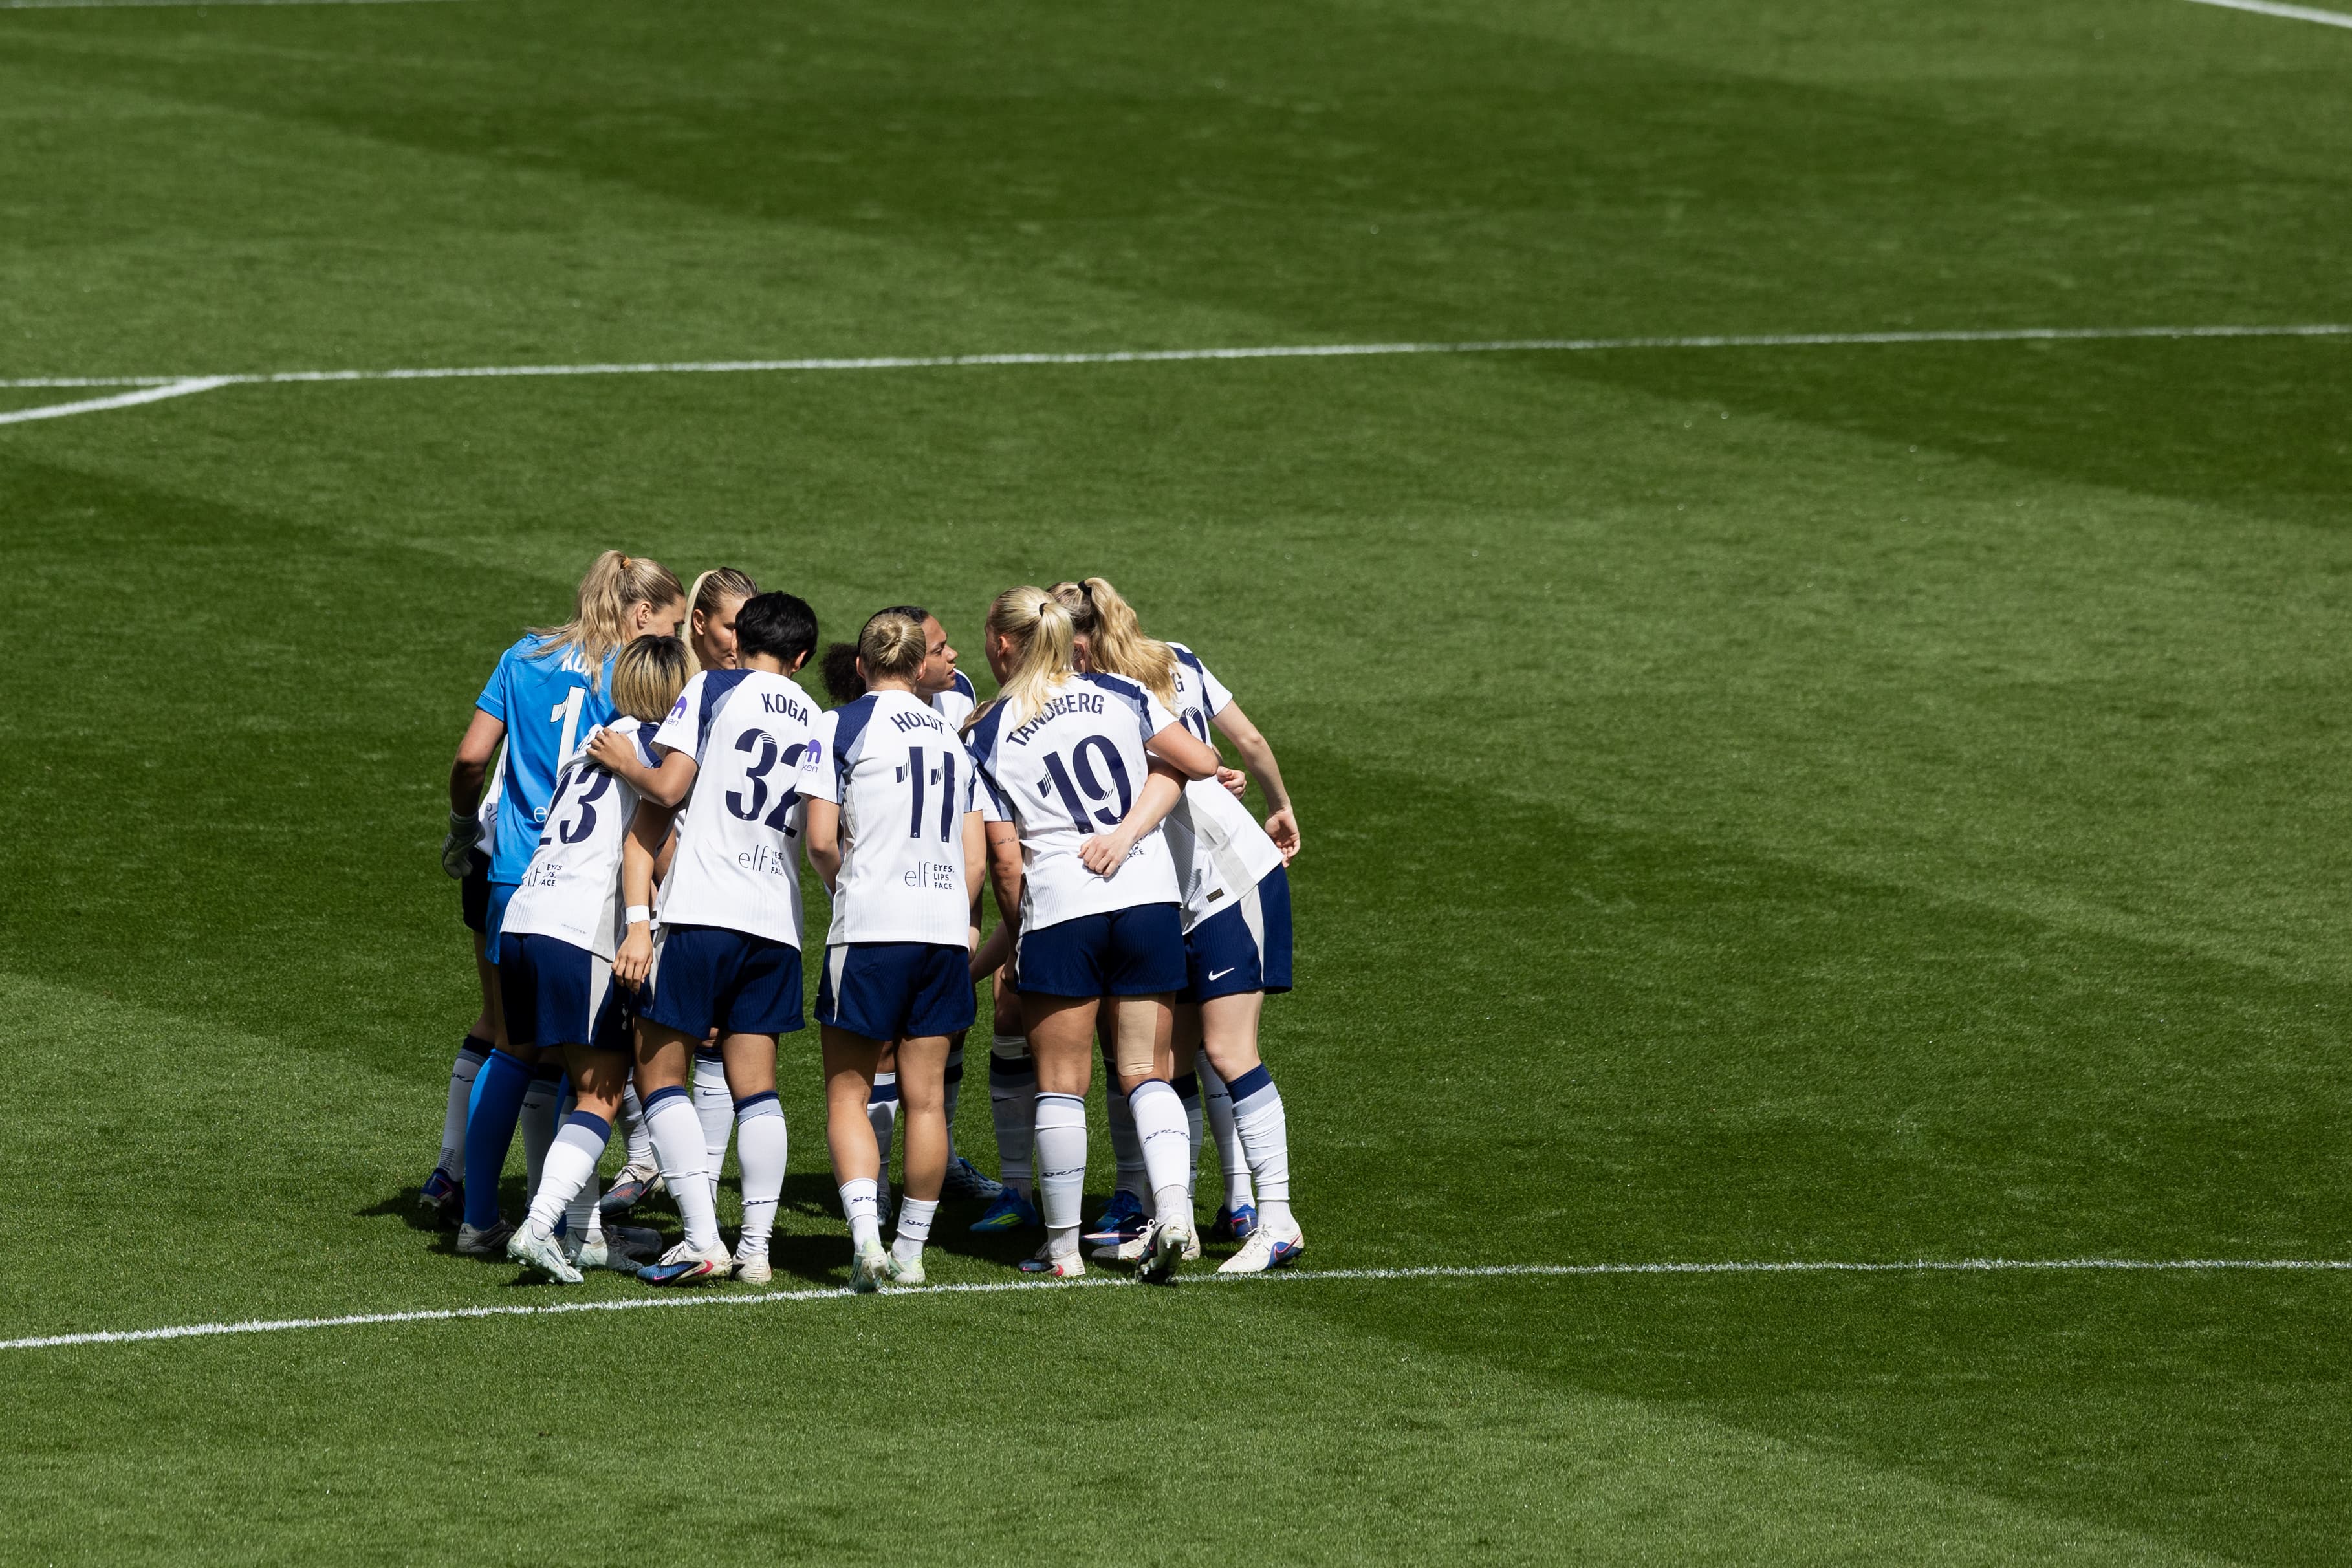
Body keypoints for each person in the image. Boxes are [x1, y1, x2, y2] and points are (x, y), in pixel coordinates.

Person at [963, 588, 1221, 1281]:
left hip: (1061, 906)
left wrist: (1016, 934)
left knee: (1061, 1084)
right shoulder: (1120, 692)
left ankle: (1065, 1249)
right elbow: (1195, 761)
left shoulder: (987, 731)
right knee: (1144, 1070)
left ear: (1001, 643)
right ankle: (1174, 1216)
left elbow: (1006, 858)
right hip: (1146, 899)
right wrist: (1130, 830)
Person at [435, 551, 686, 1256]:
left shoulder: (524, 655)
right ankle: (578, 1228)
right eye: (669, 627)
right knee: (592, 1067)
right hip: (590, 885)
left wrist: (462, 832)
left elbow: (470, 759)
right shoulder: (635, 680)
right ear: (641, 617)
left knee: (512, 1050)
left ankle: (478, 1215)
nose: (675, 645)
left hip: (514, 876)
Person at [1077, 578, 1306, 1271]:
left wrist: (1121, 836)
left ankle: (1276, 1218)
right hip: (1176, 896)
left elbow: (1189, 769)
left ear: (1079, 644)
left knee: (1229, 1051)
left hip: (1232, 883)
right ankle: (1173, 1216)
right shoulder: (1137, 678)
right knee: (1162, 1062)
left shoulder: (1123, 696)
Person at [599, 591, 822, 1286]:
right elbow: (820, 835)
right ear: (802, 657)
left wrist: (624, 762)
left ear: (738, 637)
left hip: (702, 912)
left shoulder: (712, 686)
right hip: (775, 923)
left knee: (658, 1072)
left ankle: (701, 1238)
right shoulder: (817, 716)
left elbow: (668, 789)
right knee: (758, 1089)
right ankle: (755, 1248)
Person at [496, 636, 694, 1282]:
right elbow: (661, 857)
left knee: (572, 1083)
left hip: (525, 922)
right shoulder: (659, 756)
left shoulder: (591, 748)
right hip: (578, 932)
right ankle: (540, 1223)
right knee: (601, 1096)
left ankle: (583, 1236)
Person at [801, 611, 988, 1289]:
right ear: (918, 667)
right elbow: (975, 862)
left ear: (861, 664)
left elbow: (821, 839)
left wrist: (842, 886)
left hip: (872, 929)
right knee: (928, 1100)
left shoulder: (840, 726)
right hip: (941, 931)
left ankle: (865, 1239)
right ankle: (911, 1252)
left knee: (848, 1094)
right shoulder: (951, 735)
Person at [604, 567, 761, 1217]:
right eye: (731, 626)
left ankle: (696, 1177)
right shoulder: (675, 685)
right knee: (637, 1033)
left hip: (708, 887)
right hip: (657, 881)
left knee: (711, 1034)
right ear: (701, 624)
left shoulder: (743, 692)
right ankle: (649, 1161)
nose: (741, 641)